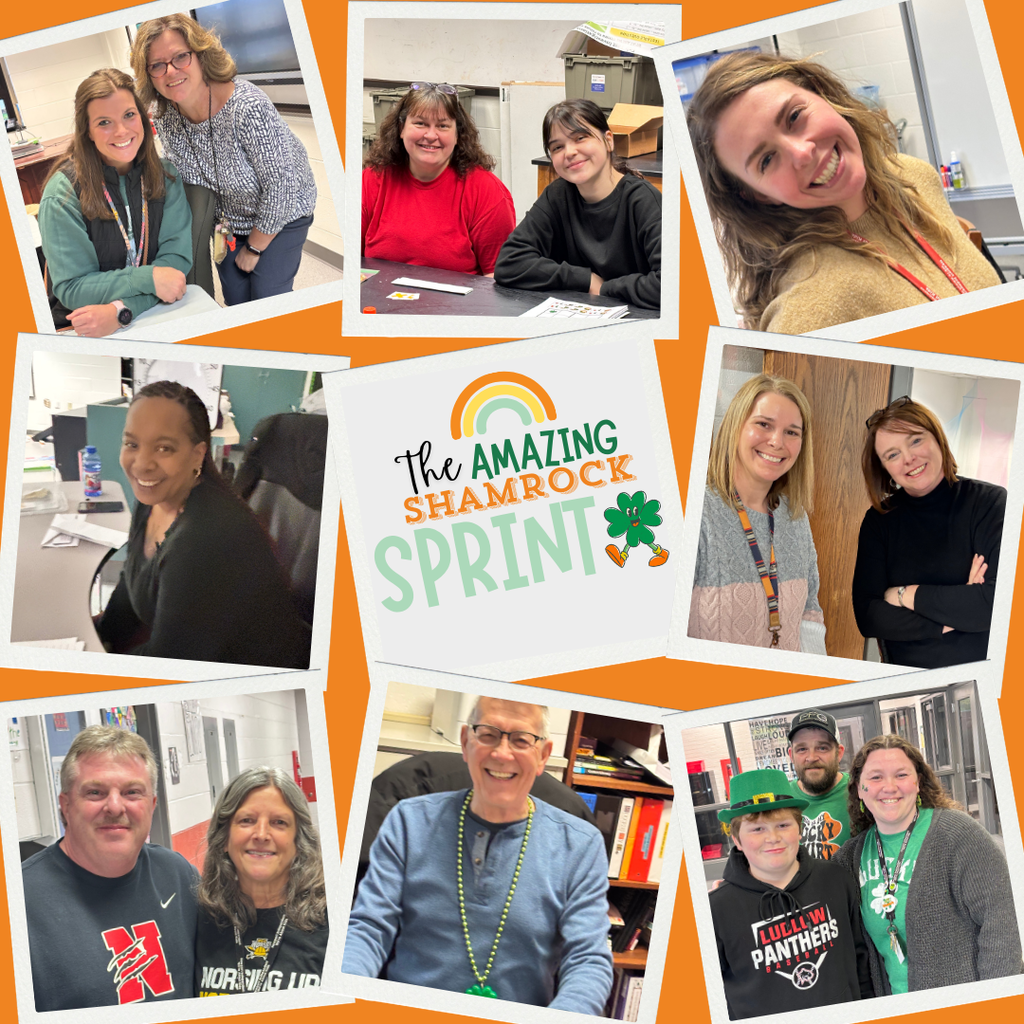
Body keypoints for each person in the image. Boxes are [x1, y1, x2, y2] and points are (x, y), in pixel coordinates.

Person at [687, 52, 1002, 334]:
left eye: (794, 117)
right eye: (767, 160)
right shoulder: (809, 314)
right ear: (757, 195)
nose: (802, 154)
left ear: (819, 92)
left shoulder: (913, 175)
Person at [343, 697, 613, 1011]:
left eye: (521, 740)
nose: (501, 753)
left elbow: (588, 960)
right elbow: (369, 928)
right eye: (487, 734)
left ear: (543, 756)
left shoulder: (580, 844)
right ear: (465, 743)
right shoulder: (409, 820)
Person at [96, 380, 312, 668]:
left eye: (164, 448)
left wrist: (94, 662)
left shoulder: (202, 539)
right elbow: (131, 581)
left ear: (197, 454)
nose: (142, 463)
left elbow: (169, 662)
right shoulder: (154, 499)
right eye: (132, 444)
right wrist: (102, 636)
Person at [130, 14, 317, 305]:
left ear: (201, 56)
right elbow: (184, 181)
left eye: (181, 57)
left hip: (283, 213)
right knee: (237, 303)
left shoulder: (247, 106)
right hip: (228, 224)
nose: (170, 71)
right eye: (157, 65)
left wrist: (253, 249)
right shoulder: (166, 118)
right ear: (148, 74)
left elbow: (281, 188)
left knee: (267, 300)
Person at [22, 726, 197, 1011]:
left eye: (132, 792)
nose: (115, 807)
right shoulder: (19, 903)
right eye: (95, 792)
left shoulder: (178, 875)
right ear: (65, 806)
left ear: (152, 805)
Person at [834, 735, 1021, 994]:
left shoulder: (958, 834)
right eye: (875, 777)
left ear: (918, 782)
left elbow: (1002, 926)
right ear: (858, 789)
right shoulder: (849, 858)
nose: (889, 787)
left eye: (901, 775)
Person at [852, 396, 1005, 668]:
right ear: (885, 468)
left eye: (915, 440)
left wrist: (903, 595)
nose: (909, 458)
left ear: (937, 439)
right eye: (892, 454)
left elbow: (993, 606)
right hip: (903, 682)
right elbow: (868, 616)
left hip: (977, 678)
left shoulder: (989, 503)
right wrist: (954, 614)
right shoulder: (879, 521)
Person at [38, 68, 192, 335]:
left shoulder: (166, 176)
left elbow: (175, 264)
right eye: (104, 122)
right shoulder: (62, 194)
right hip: (84, 324)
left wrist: (121, 311)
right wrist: (149, 279)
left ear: (143, 118)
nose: (121, 131)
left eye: (129, 115)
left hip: (152, 313)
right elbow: (73, 288)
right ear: (87, 131)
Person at [710, 768, 872, 1019]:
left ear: (800, 829)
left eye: (783, 825)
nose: (773, 838)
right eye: (757, 829)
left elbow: (861, 959)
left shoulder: (836, 879)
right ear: (737, 840)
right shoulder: (716, 910)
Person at [688, 374, 826, 653]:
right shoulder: (695, 514)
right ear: (736, 427)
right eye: (764, 424)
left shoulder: (796, 519)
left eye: (792, 432)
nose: (777, 441)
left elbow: (809, 616)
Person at [494, 99, 662, 309]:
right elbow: (509, 263)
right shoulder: (557, 196)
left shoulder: (644, 200)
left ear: (608, 141)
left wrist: (607, 289)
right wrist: (586, 280)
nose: (570, 152)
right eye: (557, 147)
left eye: (580, 137)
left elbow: (670, 286)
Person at [195, 767, 327, 995]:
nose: (262, 834)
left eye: (279, 822)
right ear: (224, 839)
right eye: (247, 820)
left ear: (299, 841)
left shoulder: (334, 924)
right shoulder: (200, 919)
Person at [361, 82, 515, 275]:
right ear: (401, 128)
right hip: (379, 303)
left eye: (443, 126)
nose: (431, 135)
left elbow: (496, 279)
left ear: (458, 134)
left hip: (459, 305)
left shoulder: (487, 191)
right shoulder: (371, 180)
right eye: (420, 123)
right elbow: (350, 262)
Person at [786, 709, 849, 860]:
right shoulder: (782, 799)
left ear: (839, 753)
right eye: (802, 749)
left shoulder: (861, 791)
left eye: (822, 748)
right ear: (791, 755)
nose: (811, 757)